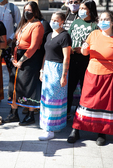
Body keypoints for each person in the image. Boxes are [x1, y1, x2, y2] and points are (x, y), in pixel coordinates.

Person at [67, 10, 113, 146]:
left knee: (104, 105)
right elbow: (86, 53)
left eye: (105, 19)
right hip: (92, 74)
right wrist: (84, 48)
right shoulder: (94, 34)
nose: (101, 22)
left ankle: (101, 132)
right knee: (85, 102)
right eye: (100, 19)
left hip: (111, 77)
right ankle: (76, 129)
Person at [4, 1, 44, 126]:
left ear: (35, 11)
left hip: (29, 60)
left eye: (30, 10)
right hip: (17, 59)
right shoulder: (23, 24)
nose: (27, 12)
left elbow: (33, 47)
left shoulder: (37, 25)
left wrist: (21, 61)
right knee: (14, 86)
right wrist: (13, 57)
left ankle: (31, 115)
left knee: (29, 88)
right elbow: (15, 42)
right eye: (25, 10)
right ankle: (13, 113)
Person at [38, 12, 72, 140]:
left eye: (56, 20)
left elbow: (66, 57)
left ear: (62, 21)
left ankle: (50, 129)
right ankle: (52, 125)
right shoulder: (49, 35)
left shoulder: (65, 36)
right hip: (47, 68)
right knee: (46, 97)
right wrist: (42, 69)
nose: (53, 22)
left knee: (53, 98)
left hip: (57, 69)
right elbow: (46, 54)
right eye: (52, 19)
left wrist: (64, 75)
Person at [67, 0, 99, 119]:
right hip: (72, 60)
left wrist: (85, 50)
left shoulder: (95, 26)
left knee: (85, 89)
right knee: (70, 87)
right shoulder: (75, 22)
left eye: (83, 8)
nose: (80, 11)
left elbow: (97, 45)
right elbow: (68, 37)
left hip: (86, 62)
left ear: (90, 10)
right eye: (80, 8)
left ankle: (82, 113)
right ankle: (67, 112)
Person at [0, 0, 21, 76]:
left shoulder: (13, 8)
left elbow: (19, 26)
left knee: (12, 71)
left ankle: (12, 89)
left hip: (9, 45)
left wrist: (11, 38)